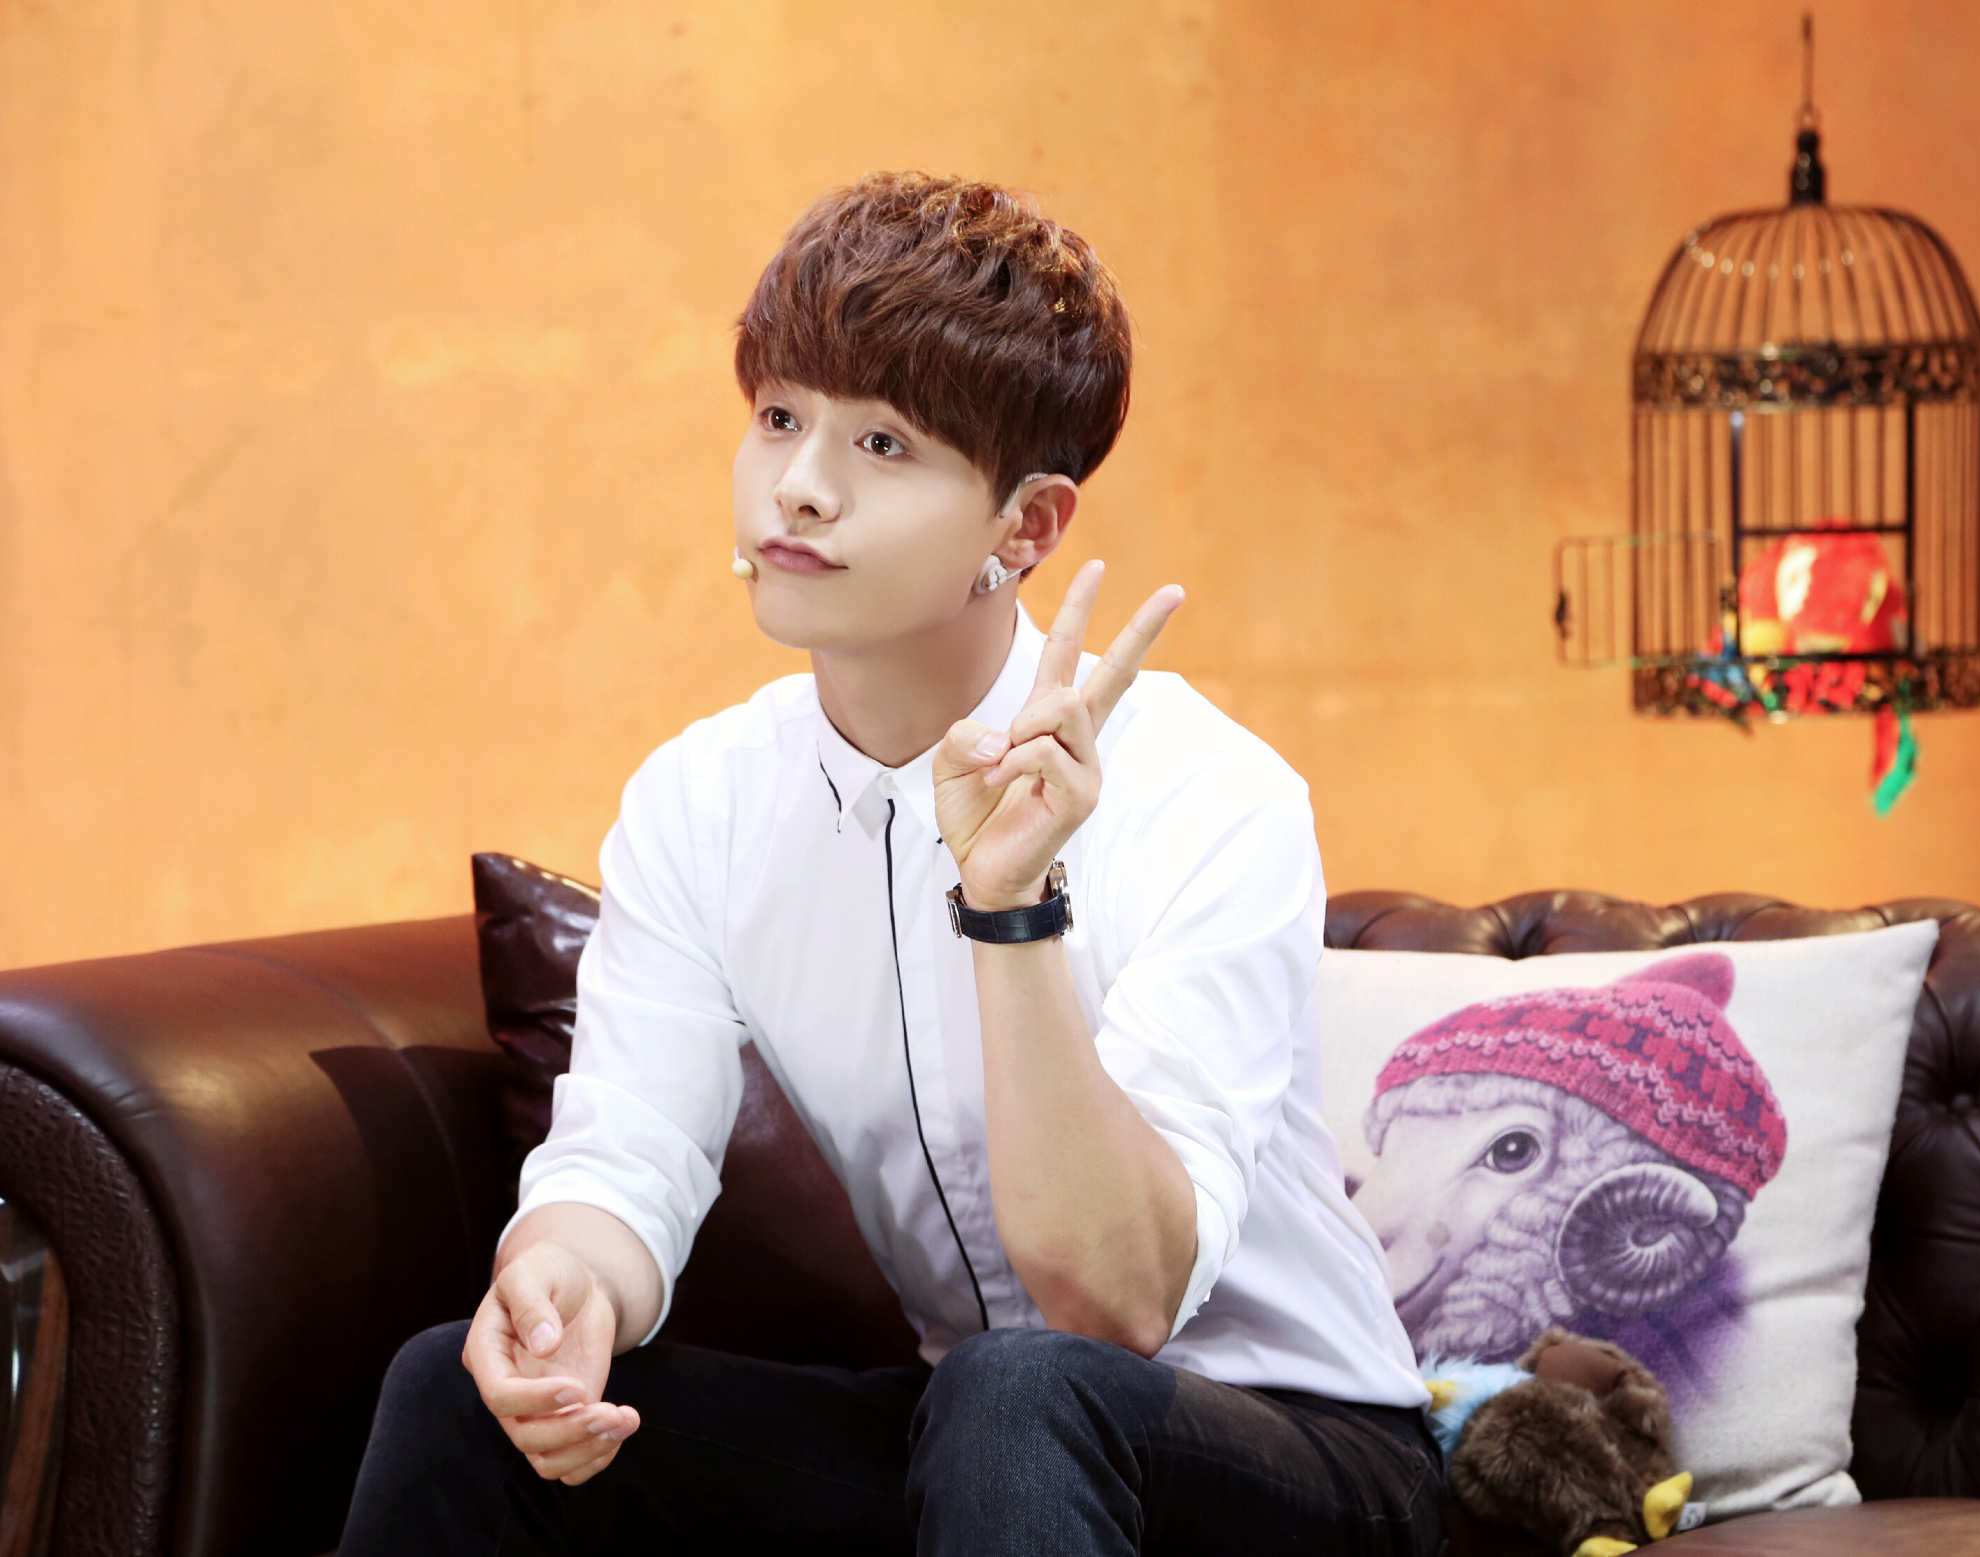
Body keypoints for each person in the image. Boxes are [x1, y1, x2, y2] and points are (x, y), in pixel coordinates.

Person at [336, 171, 1438, 1555]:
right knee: (456, 1395)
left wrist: (1011, 907)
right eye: (779, 418)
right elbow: (631, 1153)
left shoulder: (1214, 795)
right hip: (971, 1448)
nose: (799, 486)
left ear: (1026, 528)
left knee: (1019, 1390)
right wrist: (565, 1285)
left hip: (1302, 1457)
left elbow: (1113, 1306)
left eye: (882, 444)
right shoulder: (703, 800)